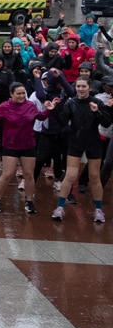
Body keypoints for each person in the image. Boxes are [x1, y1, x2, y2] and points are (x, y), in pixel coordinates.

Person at [49, 77, 110, 222]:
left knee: (94, 176)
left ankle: (99, 210)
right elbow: (63, 122)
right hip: (75, 142)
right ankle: (60, 208)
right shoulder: (71, 103)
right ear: (75, 88)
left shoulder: (97, 102)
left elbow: (106, 123)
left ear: (89, 88)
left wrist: (97, 112)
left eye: (83, 86)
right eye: (78, 86)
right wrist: (54, 110)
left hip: (93, 143)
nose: (81, 89)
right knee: (70, 175)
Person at [0, 82, 40, 214]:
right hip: (10, 145)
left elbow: (40, 117)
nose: (21, 96)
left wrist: (49, 110)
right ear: (11, 94)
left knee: (29, 174)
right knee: (8, 173)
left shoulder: (30, 105)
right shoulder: (4, 107)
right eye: (18, 93)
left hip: (28, 144)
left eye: (23, 93)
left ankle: (29, 201)